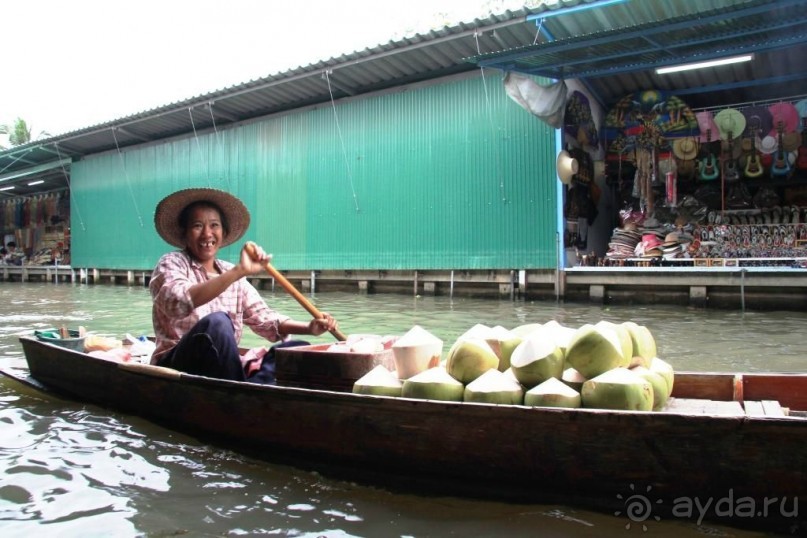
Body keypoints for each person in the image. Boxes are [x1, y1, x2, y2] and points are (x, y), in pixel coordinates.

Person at [149, 188, 339, 384]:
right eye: (197, 226)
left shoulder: (231, 273)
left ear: (223, 232)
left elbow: (264, 318)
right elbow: (179, 302)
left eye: (214, 225)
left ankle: (249, 388)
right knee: (217, 323)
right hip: (176, 366)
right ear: (184, 233)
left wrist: (309, 327)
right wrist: (238, 271)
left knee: (298, 350)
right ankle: (240, 393)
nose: (207, 234)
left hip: (221, 369)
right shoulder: (171, 263)